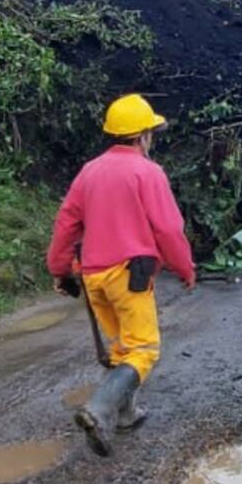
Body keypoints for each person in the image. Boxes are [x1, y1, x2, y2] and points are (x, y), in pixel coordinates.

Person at [47, 93, 196, 457]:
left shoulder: (90, 171)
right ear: (143, 135)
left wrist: (59, 269)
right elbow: (167, 228)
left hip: (94, 276)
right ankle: (100, 408)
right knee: (144, 350)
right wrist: (184, 267)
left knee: (121, 349)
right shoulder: (147, 171)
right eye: (151, 133)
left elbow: (67, 222)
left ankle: (126, 414)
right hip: (129, 274)